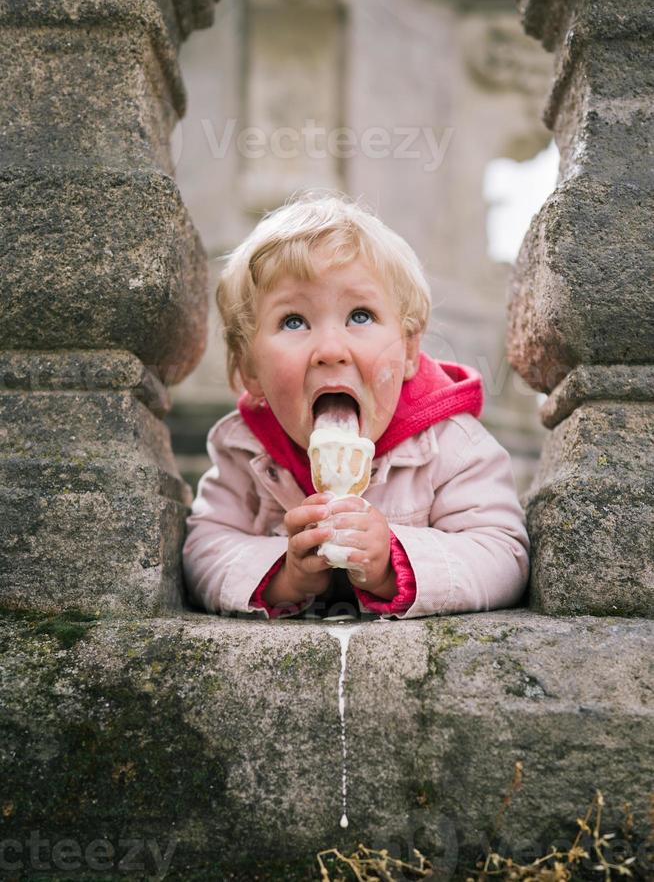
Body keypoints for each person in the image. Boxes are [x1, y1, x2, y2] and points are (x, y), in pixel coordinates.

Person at [183, 192, 529, 620]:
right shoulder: (244, 449)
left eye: (360, 316)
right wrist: (284, 576)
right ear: (249, 369)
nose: (331, 350)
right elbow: (203, 550)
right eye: (294, 321)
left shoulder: (452, 446)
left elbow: (503, 554)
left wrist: (392, 561)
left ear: (408, 351)